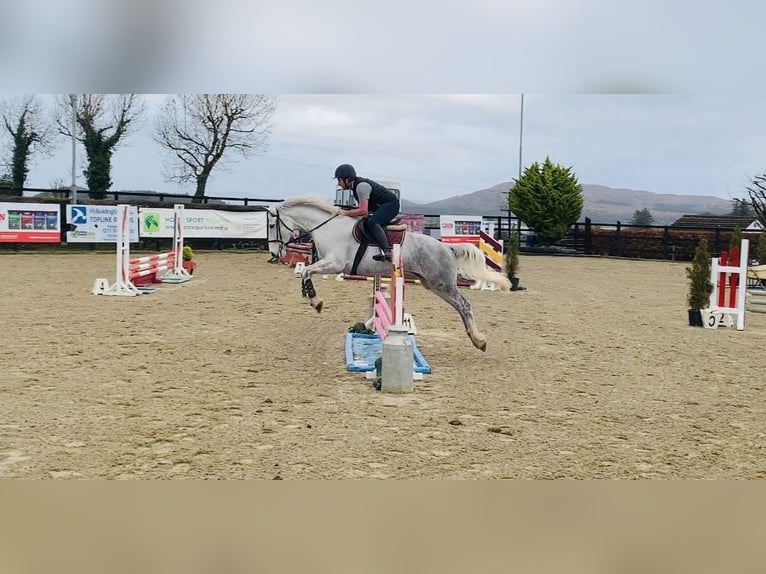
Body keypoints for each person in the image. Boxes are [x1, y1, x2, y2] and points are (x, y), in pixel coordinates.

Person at [334, 163, 400, 261]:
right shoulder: (355, 187)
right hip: (382, 205)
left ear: (347, 179)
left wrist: (344, 213)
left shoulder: (361, 187)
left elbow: (363, 211)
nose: (338, 183)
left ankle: (387, 251)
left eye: (339, 180)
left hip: (391, 205)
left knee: (372, 222)